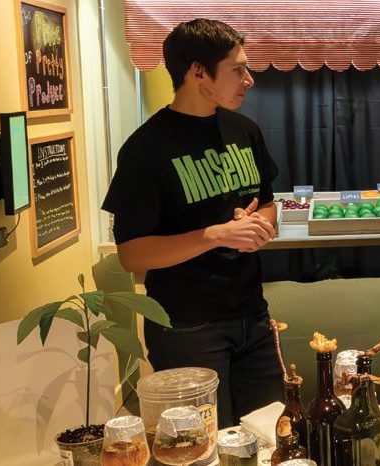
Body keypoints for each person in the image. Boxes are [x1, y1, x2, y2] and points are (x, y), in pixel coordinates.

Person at [102, 18, 283, 428]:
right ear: (197, 71)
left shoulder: (245, 131)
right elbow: (131, 254)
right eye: (237, 69)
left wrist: (257, 226)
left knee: (270, 433)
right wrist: (216, 235)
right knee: (200, 445)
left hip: (253, 315)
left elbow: (269, 205)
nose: (249, 80)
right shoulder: (145, 150)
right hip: (184, 326)